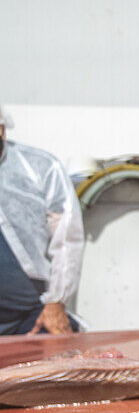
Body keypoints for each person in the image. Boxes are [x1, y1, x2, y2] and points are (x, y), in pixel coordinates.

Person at [0, 104, 84, 335]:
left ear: (2, 130)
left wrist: (56, 302)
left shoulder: (40, 168)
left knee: (57, 357)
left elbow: (67, 239)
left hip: (29, 317)